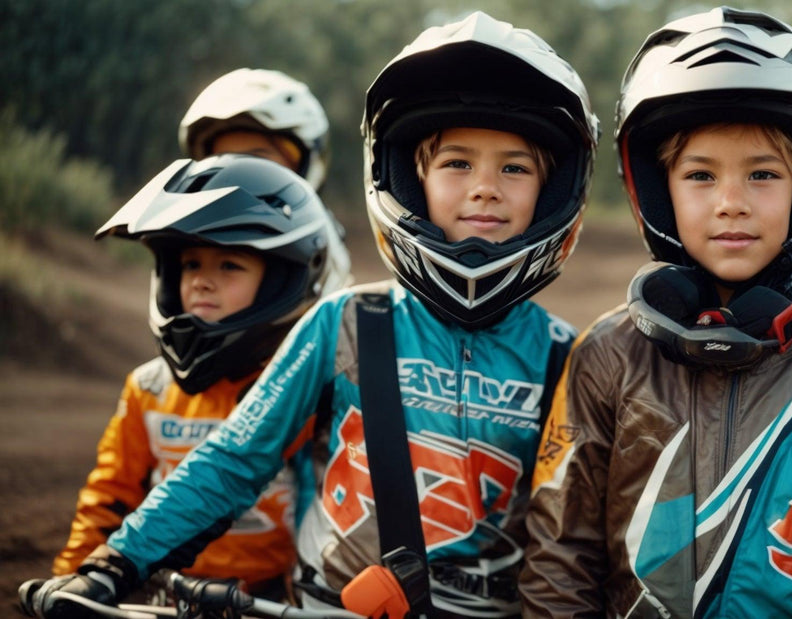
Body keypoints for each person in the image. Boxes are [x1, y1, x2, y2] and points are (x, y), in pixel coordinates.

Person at [22, 11, 598, 619]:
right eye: (457, 163)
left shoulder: (566, 356)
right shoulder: (347, 322)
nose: (485, 187)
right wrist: (111, 567)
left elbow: (578, 541)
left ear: (554, 189)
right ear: (409, 178)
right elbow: (235, 458)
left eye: (515, 166)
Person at [520, 7, 792, 617]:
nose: (732, 203)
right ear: (657, 191)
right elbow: (560, 561)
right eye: (700, 175)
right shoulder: (607, 355)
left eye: (763, 174)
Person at [49, 154, 351, 600]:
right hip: (162, 594)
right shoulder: (148, 388)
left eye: (228, 265)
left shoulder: (303, 392)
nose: (202, 281)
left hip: (272, 599)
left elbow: (334, 509)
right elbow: (108, 500)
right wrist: (77, 579)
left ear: (282, 280)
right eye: (191, 264)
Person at [179, 67, 353, 289]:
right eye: (220, 161)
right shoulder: (192, 241)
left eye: (256, 161)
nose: (234, 173)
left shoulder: (322, 245)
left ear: (306, 165)